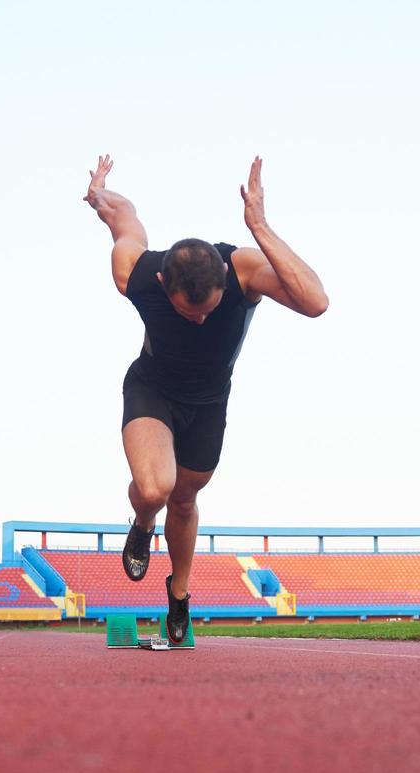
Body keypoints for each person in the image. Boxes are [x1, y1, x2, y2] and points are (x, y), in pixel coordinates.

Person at [84, 155, 328, 643]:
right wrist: (98, 194)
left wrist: (259, 226)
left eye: (209, 311)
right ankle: (141, 521)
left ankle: (179, 595)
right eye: (186, 312)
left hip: (209, 403)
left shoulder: (243, 271)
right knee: (156, 489)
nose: (199, 320)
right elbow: (122, 216)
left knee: (186, 498)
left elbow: (315, 301)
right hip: (152, 387)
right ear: (162, 287)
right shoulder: (136, 270)